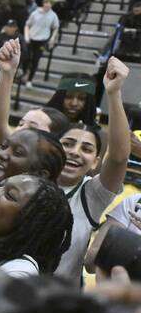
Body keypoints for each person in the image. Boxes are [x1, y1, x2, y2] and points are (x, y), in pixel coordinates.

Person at [55, 57, 130, 286]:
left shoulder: (90, 194)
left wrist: (114, 93)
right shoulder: (29, 177)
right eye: (67, 144)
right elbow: (0, 130)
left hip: (59, 302)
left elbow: (118, 158)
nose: (75, 152)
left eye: (87, 148)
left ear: (96, 159)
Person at [0, 39, 70, 147]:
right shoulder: (10, 148)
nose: (20, 130)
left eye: (32, 127)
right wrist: (7, 72)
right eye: (21, 124)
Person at [23, 0, 59, 87]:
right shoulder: (35, 13)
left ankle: (29, 80)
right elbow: (27, 25)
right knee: (26, 57)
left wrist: (52, 38)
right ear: (43, 3)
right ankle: (23, 73)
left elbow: (55, 27)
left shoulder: (53, 15)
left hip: (42, 40)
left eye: (50, 3)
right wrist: (27, 36)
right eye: (46, 2)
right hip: (31, 39)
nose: (48, 5)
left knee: (36, 60)